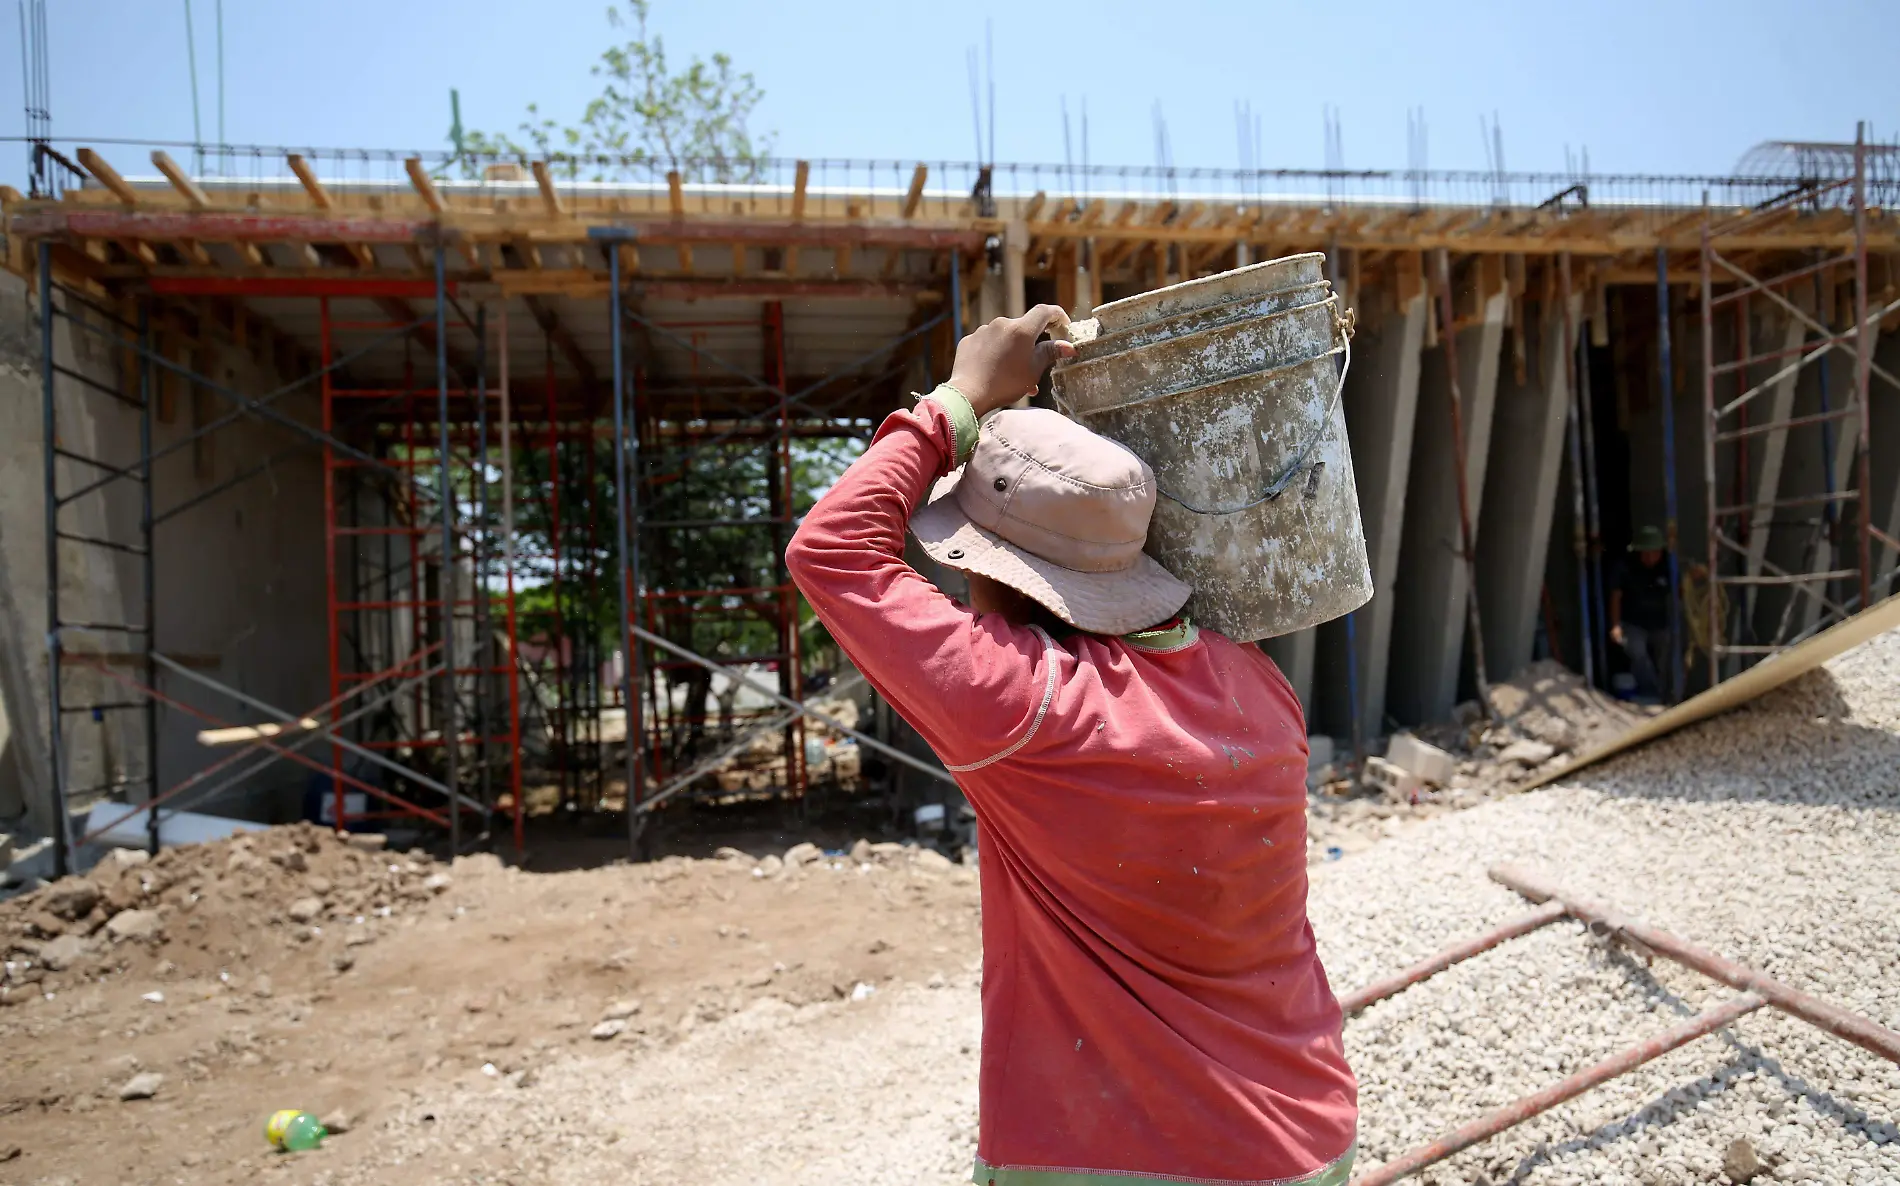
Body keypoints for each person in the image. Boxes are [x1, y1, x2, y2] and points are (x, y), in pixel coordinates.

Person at [786, 306, 1358, 1186]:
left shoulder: (1025, 708)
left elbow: (833, 551)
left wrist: (956, 401)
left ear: (994, 573)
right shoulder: (1256, 686)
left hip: (1118, 1161)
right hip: (1312, 1132)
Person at [1609, 524, 1674, 700]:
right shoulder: (1625, 565)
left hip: (1659, 622)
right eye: (1646, 553)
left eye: (1655, 552)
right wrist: (1615, 625)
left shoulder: (1668, 563)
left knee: (1663, 657)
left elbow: (1679, 589)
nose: (1651, 557)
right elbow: (1616, 595)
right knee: (1637, 652)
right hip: (1633, 622)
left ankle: (1663, 694)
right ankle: (1652, 693)